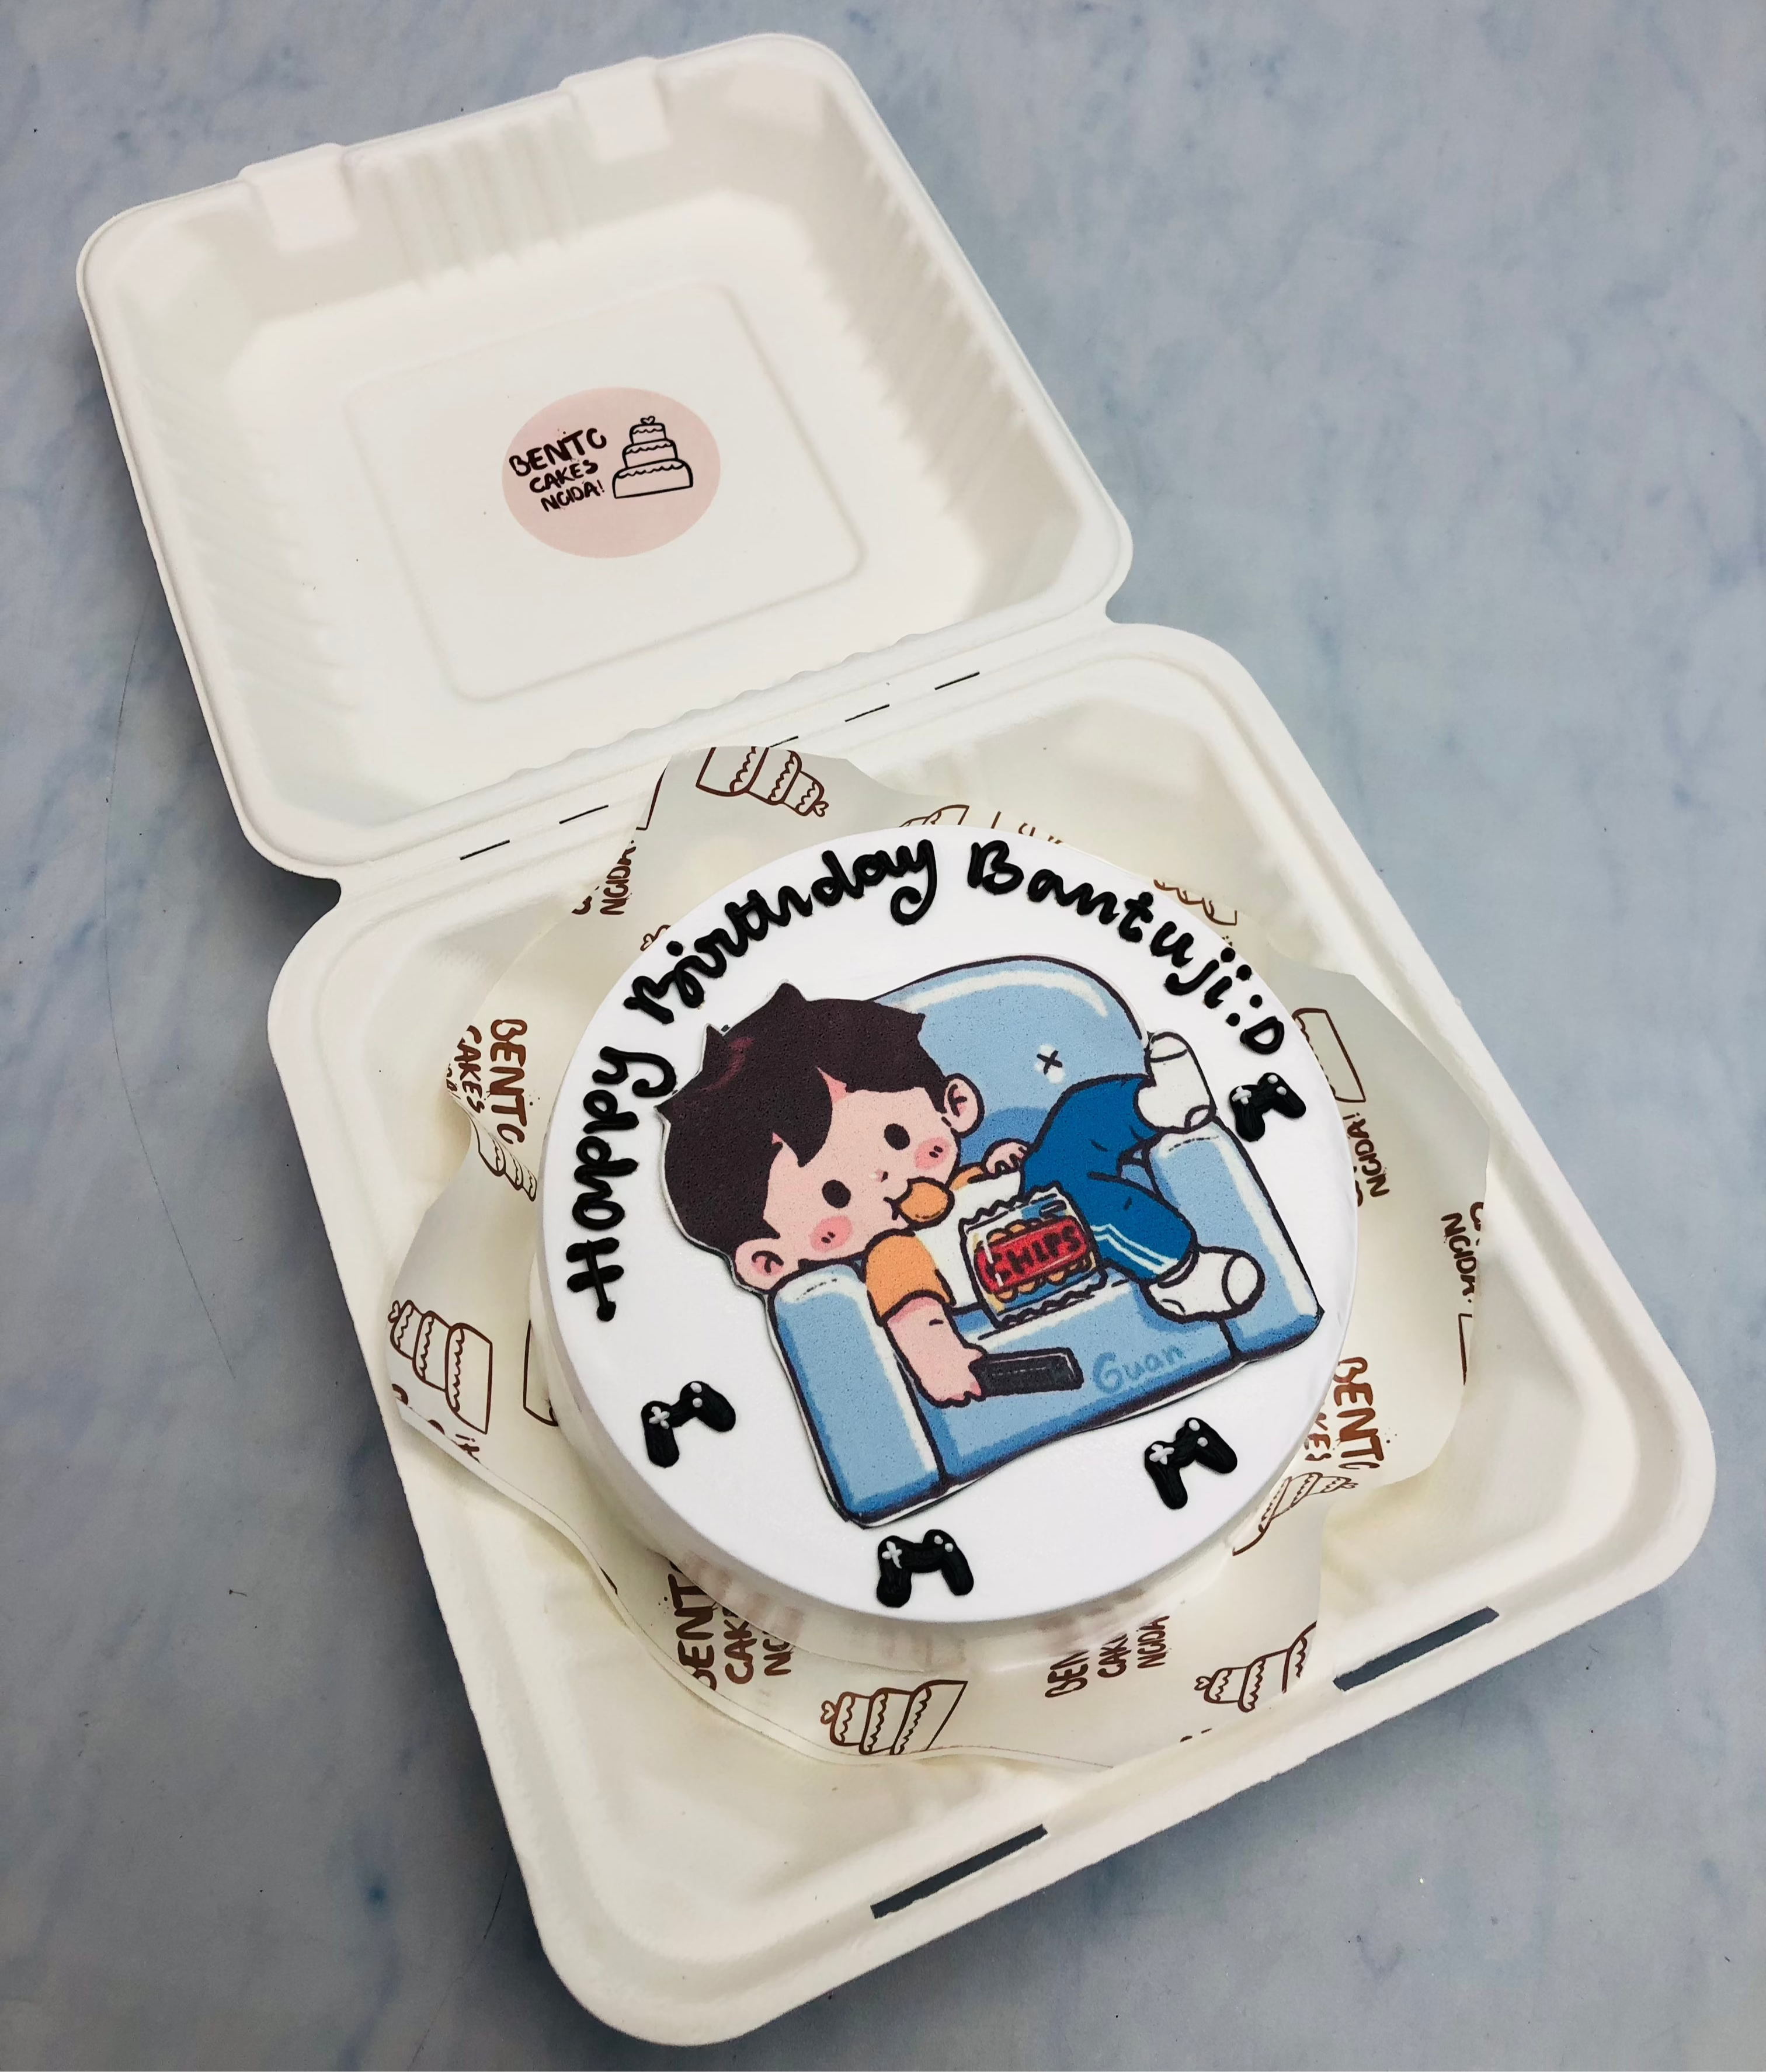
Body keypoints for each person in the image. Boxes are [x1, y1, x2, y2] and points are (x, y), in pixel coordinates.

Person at [660, 985, 1261, 1406]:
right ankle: (1180, 1274)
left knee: (1077, 1116)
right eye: (836, 1191)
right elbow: (914, 1307)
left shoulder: (960, 1178)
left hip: (1032, 1192)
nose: (883, 1179)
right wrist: (939, 1358)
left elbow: (973, 1189)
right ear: (772, 1258)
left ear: (956, 1106)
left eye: (899, 1136)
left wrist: (998, 1168)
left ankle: (1159, 1105)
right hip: (1026, 1253)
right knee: (1098, 1211)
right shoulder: (892, 1253)